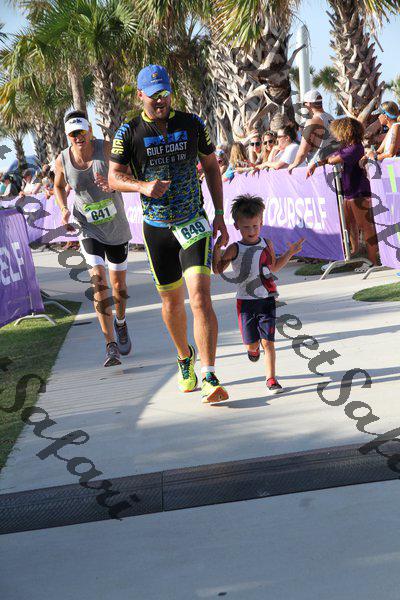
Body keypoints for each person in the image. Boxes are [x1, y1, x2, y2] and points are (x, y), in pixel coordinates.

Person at [108, 64, 229, 404]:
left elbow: (211, 167)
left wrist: (220, 215)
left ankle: (209, 374)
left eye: (165, 93)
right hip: (157, 228)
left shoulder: (192, 123)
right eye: (153, 95)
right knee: (172, 303)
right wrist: (142, 186)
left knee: (200, 298)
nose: (160, 100)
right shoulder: (129, 132)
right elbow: (114, 177)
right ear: (140, 95)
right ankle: (184, 357)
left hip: (193, 222)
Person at [54, 109, 133, 367]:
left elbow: (128, 173)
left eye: (81, 132)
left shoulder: (106, 149)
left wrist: (113, 184)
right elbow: (58, 185)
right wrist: (63, 208)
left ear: (90, 131)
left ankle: (120, 322)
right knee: (99, 282)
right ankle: (110, 344)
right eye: (73, 134)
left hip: (116, 226)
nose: (78, 137)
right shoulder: (62, 160)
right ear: (68, 136)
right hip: (87, 227)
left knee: (118, 286)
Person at [212, 194, 304, 394]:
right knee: (252, 344)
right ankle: (252, 350)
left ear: (261, 223)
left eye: (255, 226)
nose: (252, 231)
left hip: (267, 300)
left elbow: (274, 267)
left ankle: (271, 379)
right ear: (237, 226)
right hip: (245, 303)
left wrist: (290, 253)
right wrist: (217, 248)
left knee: (268, 343)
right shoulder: (235, 249)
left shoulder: (266, 244)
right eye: (246, 227)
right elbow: (217, 270)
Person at [307, 117, 378, 266]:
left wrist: (317, 163)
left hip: (360, 192)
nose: (335, 135)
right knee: (347, 224)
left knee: (365, 227)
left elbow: (332, 160)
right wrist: (318, 163)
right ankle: (355, 254)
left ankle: (373, 261)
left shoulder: (355, 148)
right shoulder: (347, 147)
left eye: (337, 131)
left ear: (346, 132)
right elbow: (330, 157)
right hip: (349, 192)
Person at [288, 89, 335, 174]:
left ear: (309, 104)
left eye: (304, 103)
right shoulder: (332, 118)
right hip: (333, 165)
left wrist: (294, 164)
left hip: (318, 169)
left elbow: (303, 150)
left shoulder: (312, 121)